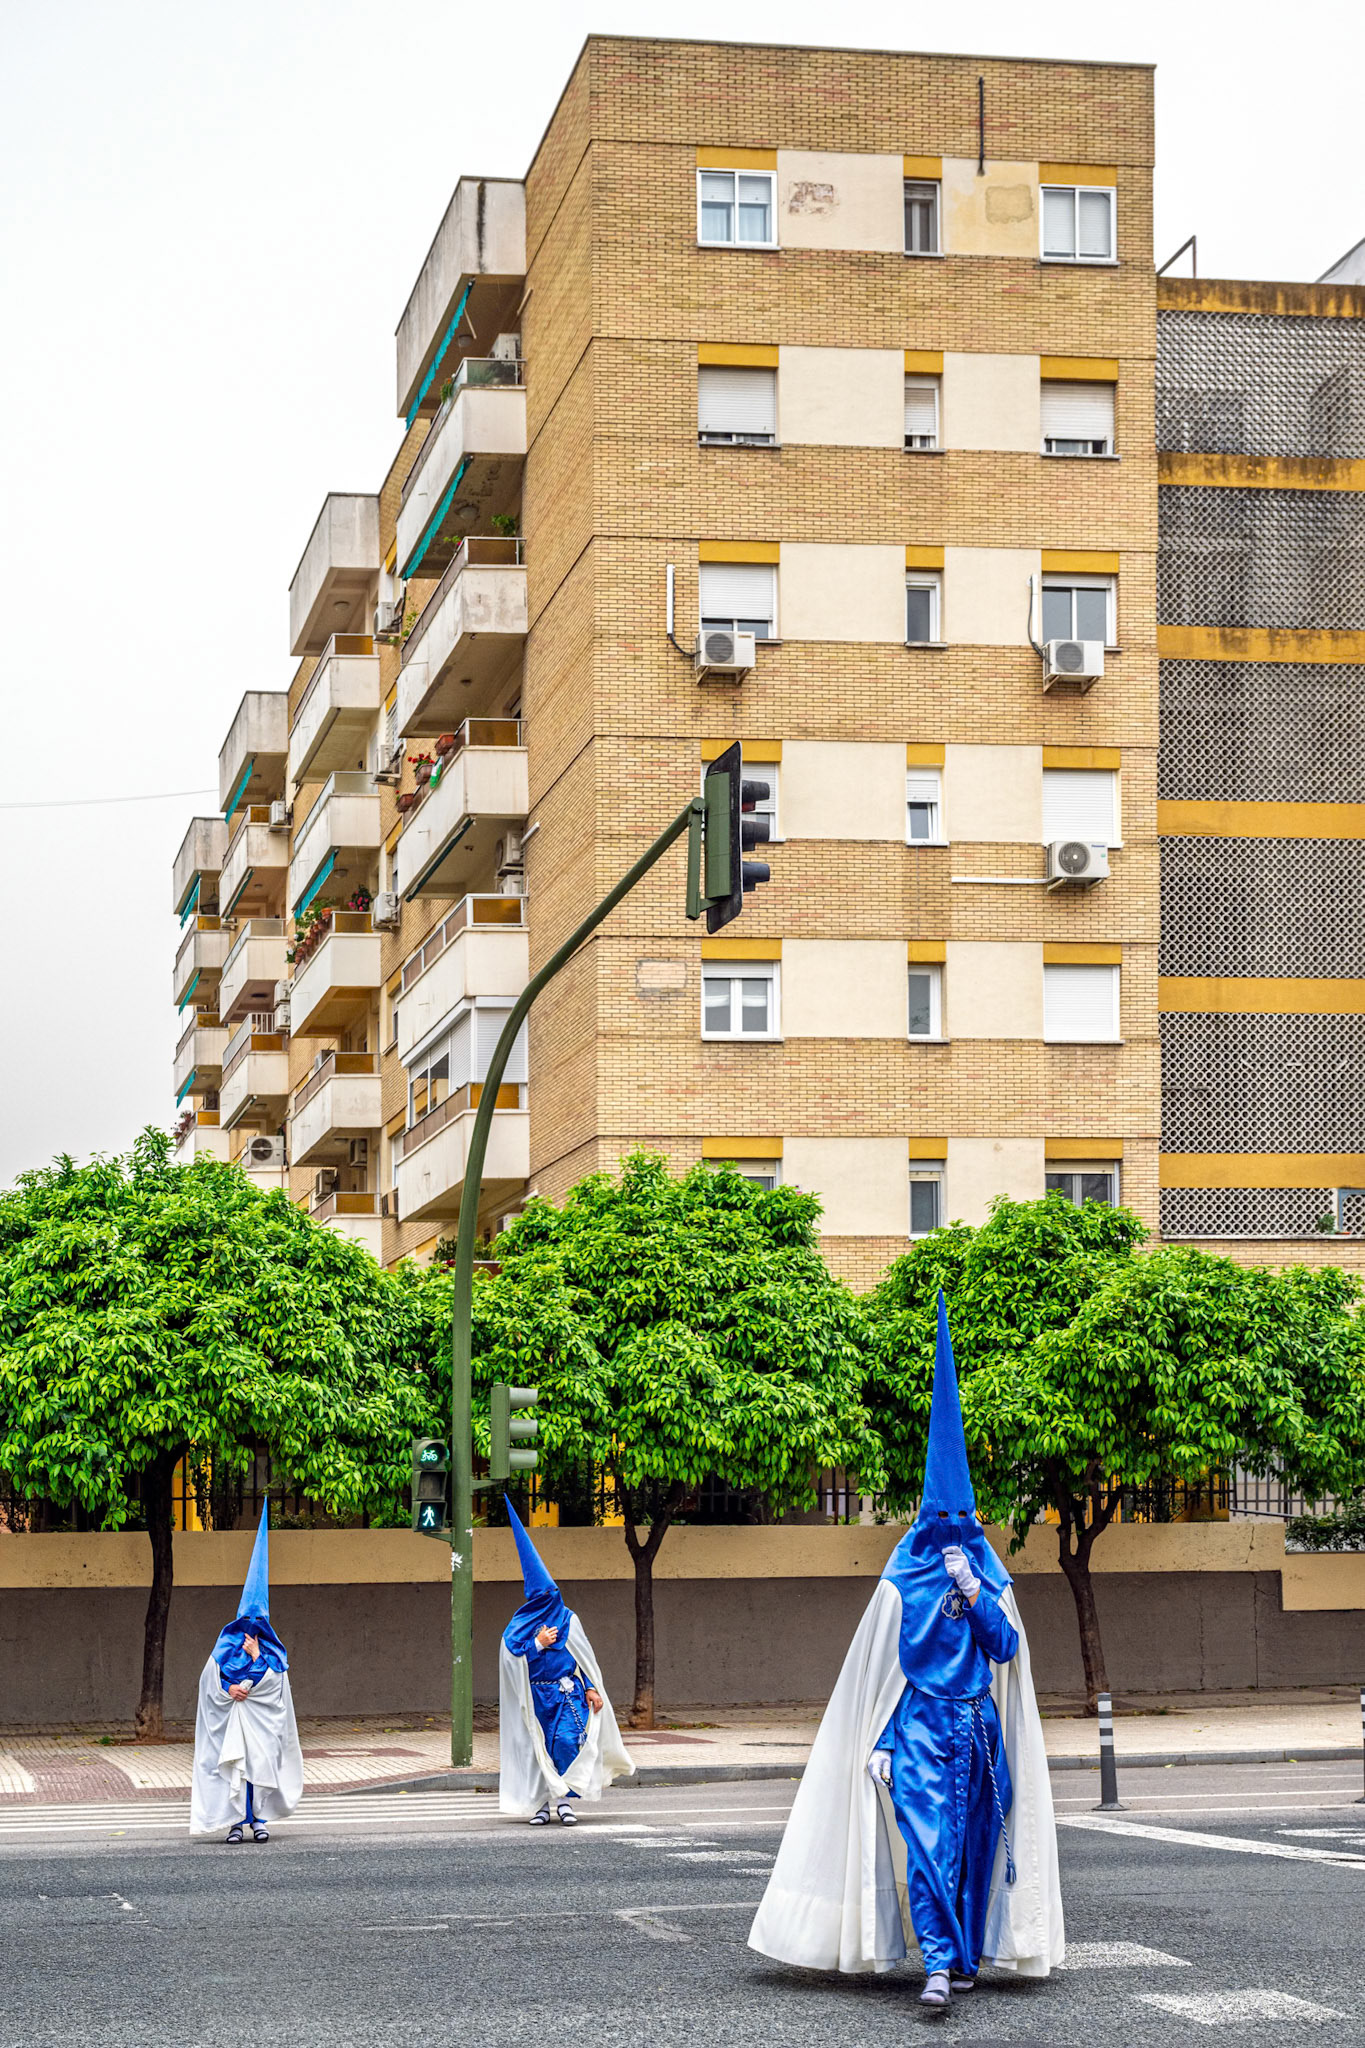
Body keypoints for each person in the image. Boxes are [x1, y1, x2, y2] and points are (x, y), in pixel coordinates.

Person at [749, 1293, 1063, 2008]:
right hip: (919, 1729)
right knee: (926, 1848)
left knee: (973, 1849)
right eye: (940, 1517)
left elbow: (1006, 1648)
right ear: (923, 1517)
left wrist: (975, 1589)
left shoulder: (988, 1573)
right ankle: (935, 1966)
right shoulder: (898, 1582)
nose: (951, 1529)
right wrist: (884, 1737)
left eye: (962, 1517)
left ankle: (960, 1958)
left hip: (979, 1730)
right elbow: (881, 1676)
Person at [498, 1498, 634, 1824]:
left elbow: (583, 1658)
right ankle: (543, 1806)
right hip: (535, 1698)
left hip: (567, 1695)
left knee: (565, 1742)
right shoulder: (520, 1627)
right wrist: (536, 1644)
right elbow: (510, 1657)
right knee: (536, 1749)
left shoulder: (569, 1620)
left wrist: (591, 1688)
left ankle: (566, 1803)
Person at [190, 1503, 304, 1843]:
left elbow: (276, 1684)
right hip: (229, 1719)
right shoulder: (225, 1646)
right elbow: (210, 1679)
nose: (252, 1628)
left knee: (259, 1765)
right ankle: (235, 1823)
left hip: (260, 1720)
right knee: (231, 1766)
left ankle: (258, 1819)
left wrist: (256, 1660)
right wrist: (229, 1691)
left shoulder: (270, 1650)